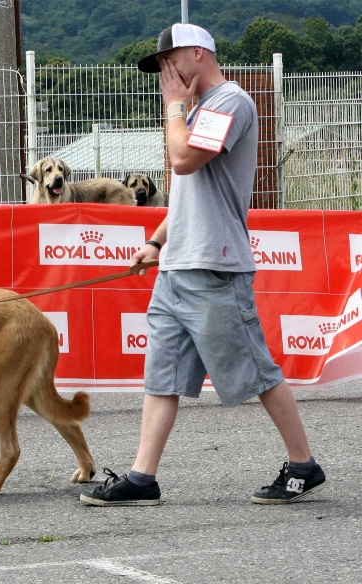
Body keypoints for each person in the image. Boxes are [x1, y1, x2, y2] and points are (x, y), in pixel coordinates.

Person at [80, 23, 326, 507]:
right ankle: (142, 477)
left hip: (215, 265)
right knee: (162, 376)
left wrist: (174, 109)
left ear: (198, 53)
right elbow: (186, 197)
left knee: (256, 372)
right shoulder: (197, 111)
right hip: (177, 265)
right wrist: (155, 243)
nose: (164, 74)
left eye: (169, 61)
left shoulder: (230, 102)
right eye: (159, 68)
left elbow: (184, 160)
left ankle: (304, 465)